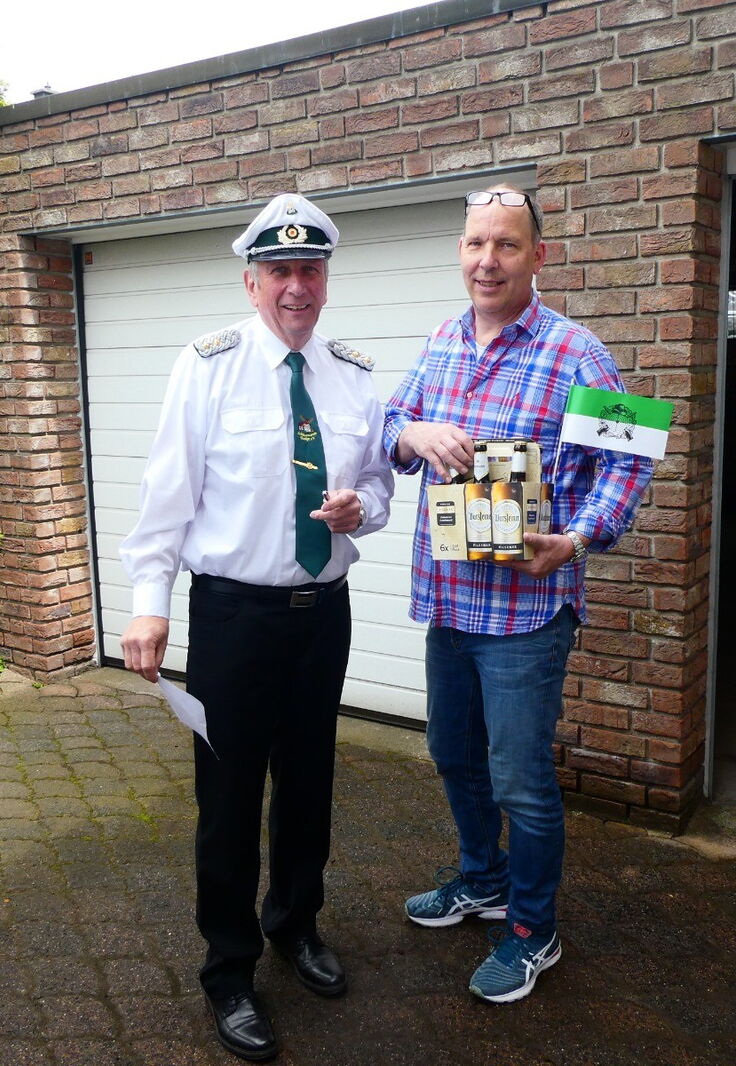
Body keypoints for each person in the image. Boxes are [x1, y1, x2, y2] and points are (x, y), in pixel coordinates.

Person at [119, 193, 393, 1061]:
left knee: (309, 784)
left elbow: (380, 486)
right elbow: (168, 493)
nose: (296, 286)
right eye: (280, 271)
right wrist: (150, 601)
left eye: (310, 269)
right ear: (252, 282)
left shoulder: (352, 374)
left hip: (323, 614)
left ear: (326, 279)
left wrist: (361, 509)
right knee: (230, 798)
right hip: (235, 616)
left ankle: (295, 925)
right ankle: (229, 967)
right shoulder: (207, 366)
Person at [383, 184, 653, 1005]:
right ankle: (483, 879)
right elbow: (391, 420)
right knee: (452, 755)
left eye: (506, 244)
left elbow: (629, 460)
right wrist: (412, 432)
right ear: (460, 252)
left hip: (527, 615)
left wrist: (578, 539)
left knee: (522, 782)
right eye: (476, 243)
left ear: (539, 254)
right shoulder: (441, 341)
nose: (488, 260)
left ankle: (534, 929)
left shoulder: (578, 353)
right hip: (448, 603)